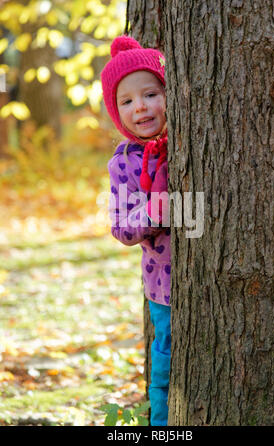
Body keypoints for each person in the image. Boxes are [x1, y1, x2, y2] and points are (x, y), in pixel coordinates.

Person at [101, 35, 170, 426]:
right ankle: (161, 426)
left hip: (206, 276)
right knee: (167, 358)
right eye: (126, 101)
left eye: (150, 94)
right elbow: (121, 228)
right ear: (116, 112)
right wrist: (152, 213)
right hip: (164, 286)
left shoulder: (185, 142)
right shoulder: (124, 163)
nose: (140, 106)